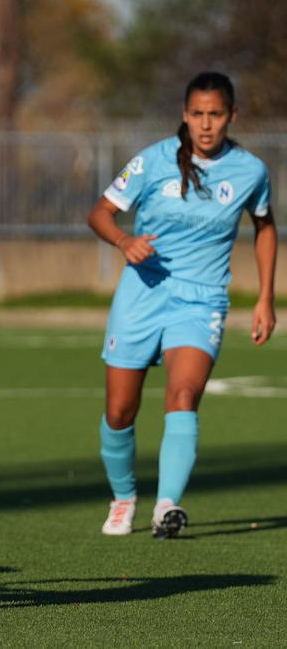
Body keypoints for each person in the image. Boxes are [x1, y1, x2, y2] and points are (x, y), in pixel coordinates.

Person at [88, 72, 277, 539]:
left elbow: (265, 226)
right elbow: (100, 213)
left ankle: (166, 506)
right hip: (141, 295)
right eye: (198, 114)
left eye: (216, 114)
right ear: (185, 115)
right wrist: (124, 241)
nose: (206, 124)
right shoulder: (152, 161)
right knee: (120, 412)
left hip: (201, 301)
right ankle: (124, 498)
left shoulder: (250, 171)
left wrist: (265, 297)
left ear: (232, 116)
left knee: (184, 396)